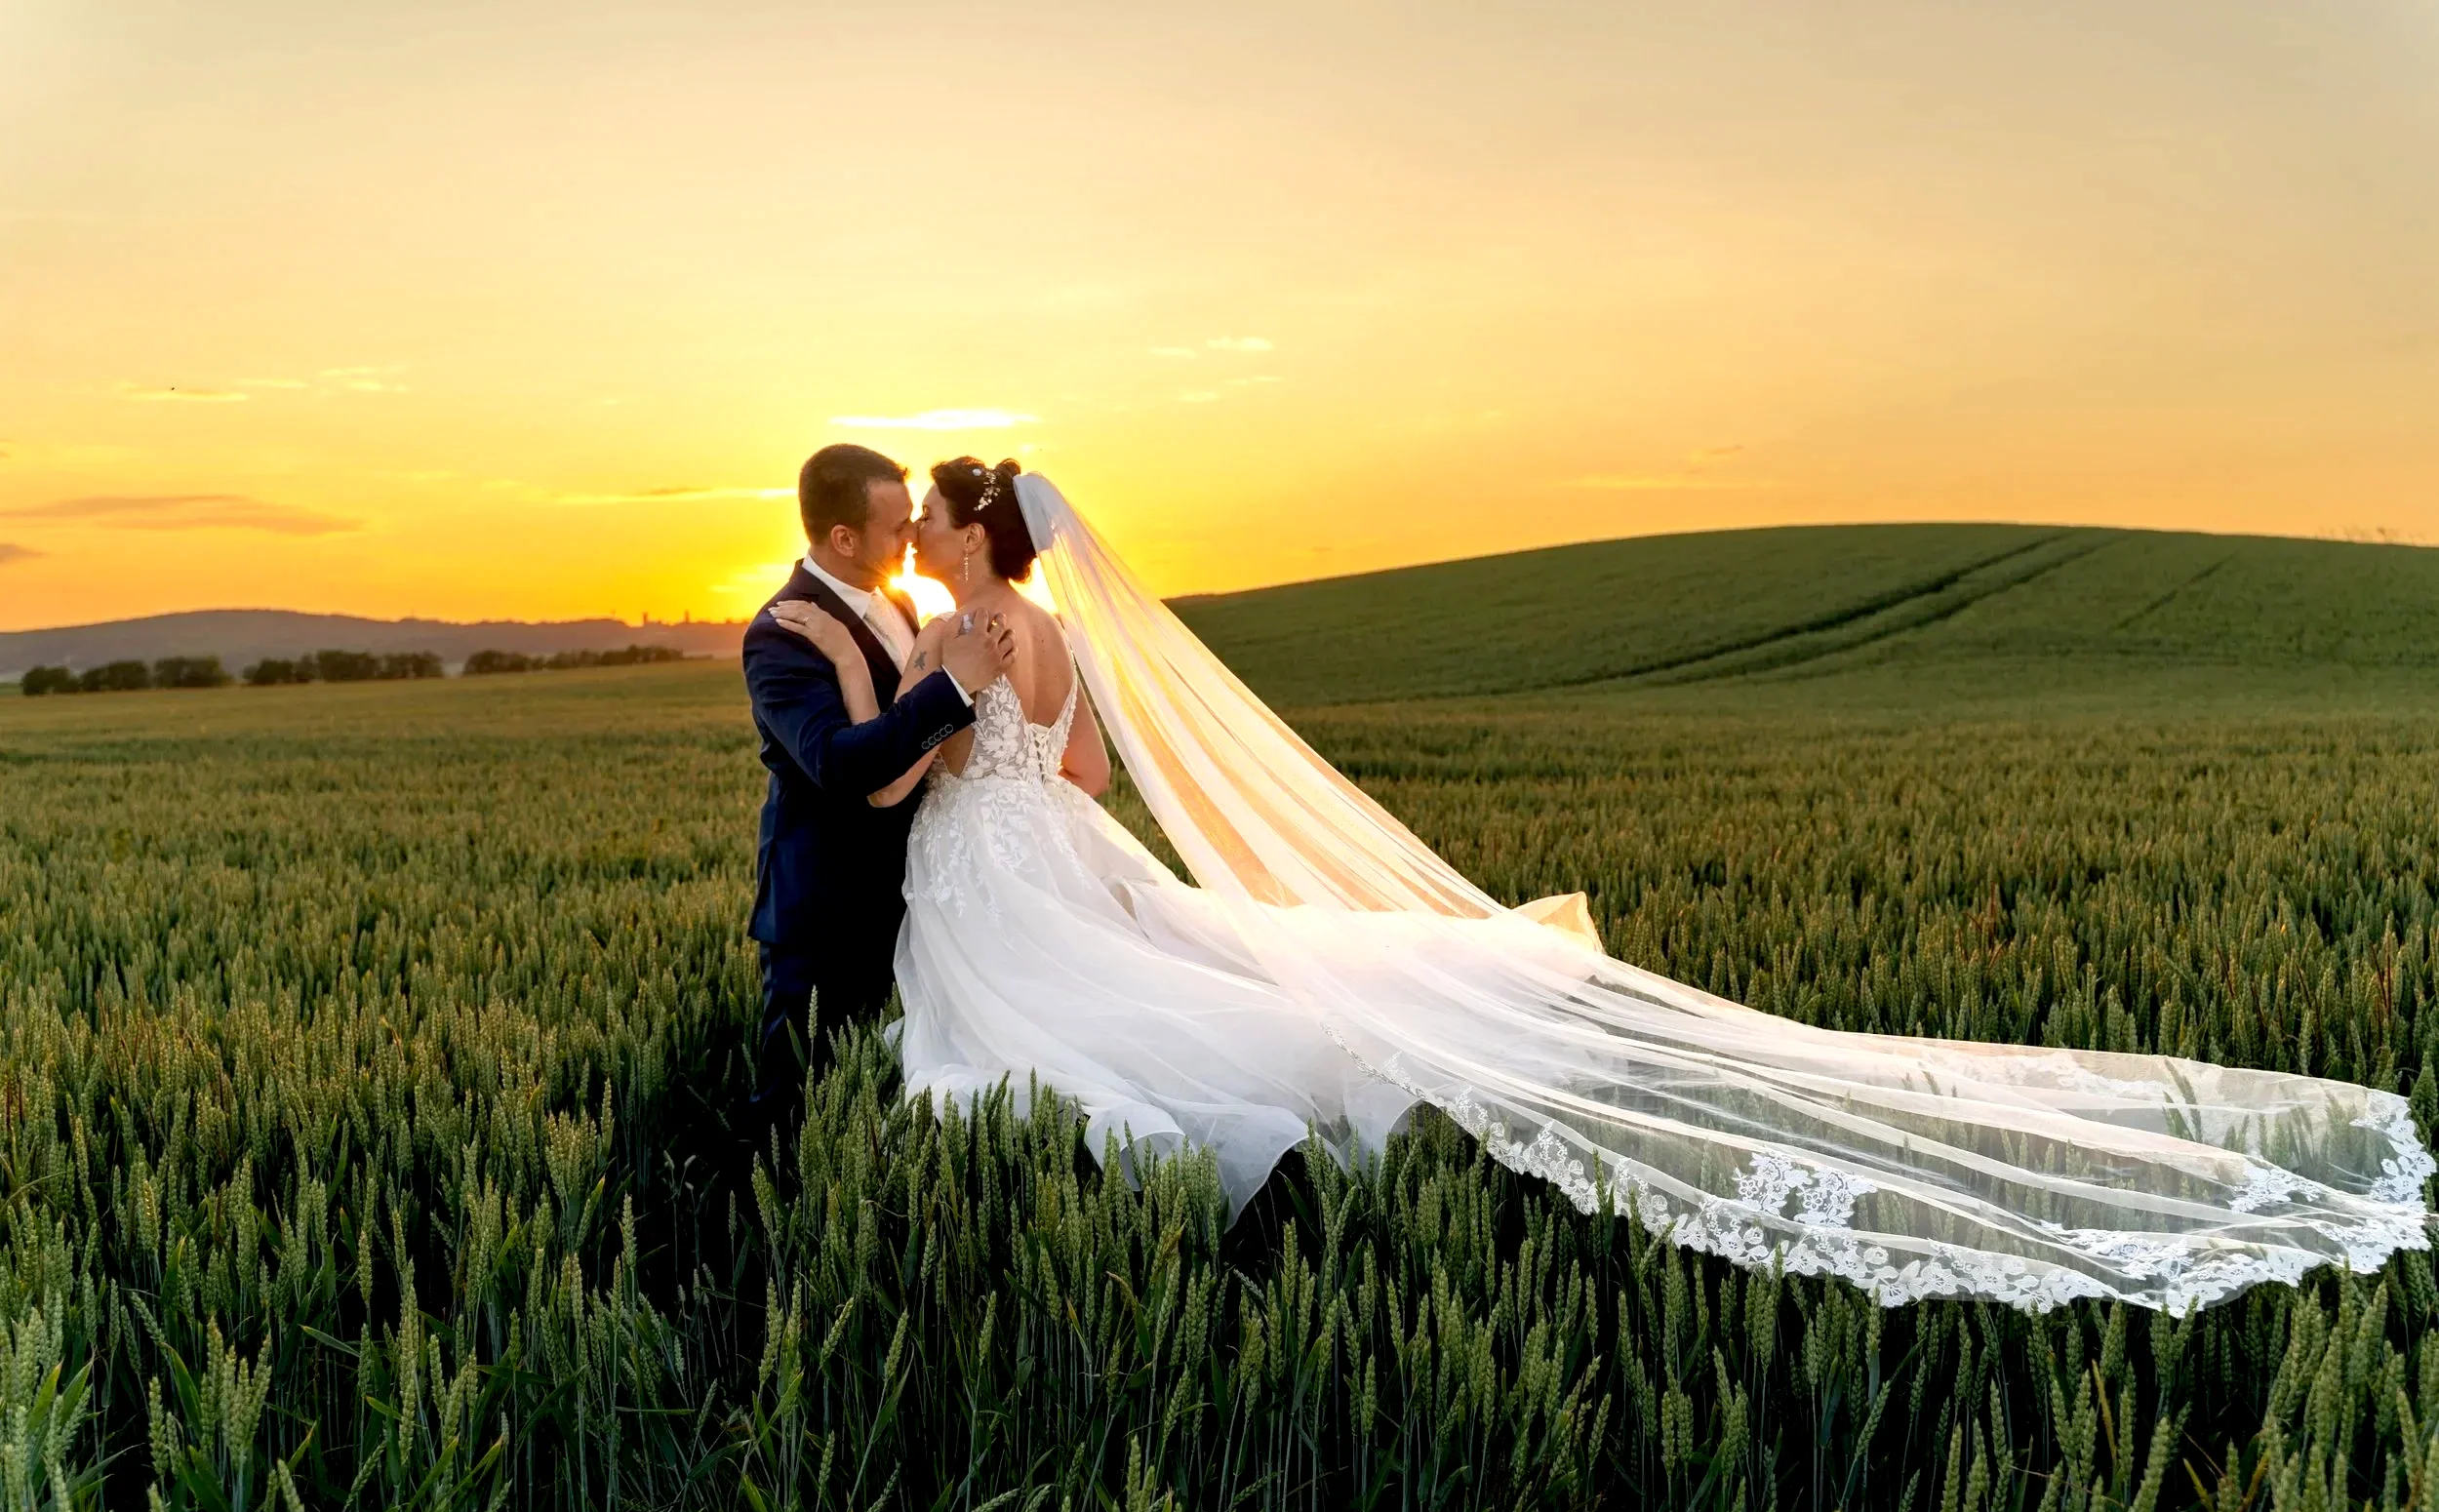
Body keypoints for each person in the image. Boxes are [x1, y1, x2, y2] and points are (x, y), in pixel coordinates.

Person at [770, 459, 2437, 1315]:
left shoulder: (945, 633)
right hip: (1056, 846)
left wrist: (927, 763)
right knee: (1180, 969)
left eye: (931, 518)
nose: (917, 531)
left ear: (968, 542)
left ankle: (1240, 1144)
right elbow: (1081, 778)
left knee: (1013, 1038)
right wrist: (1002, 775)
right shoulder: (1051, 638)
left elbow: (913, 771)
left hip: (982, 871)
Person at [736, 444, 1013, 1178]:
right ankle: (773, 1249)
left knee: (885, 1093)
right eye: (897, 527)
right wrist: (955, 688)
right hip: (825, 909)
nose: (912, 538)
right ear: (843, 539)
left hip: (920, 893)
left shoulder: (896, 600)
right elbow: (839, 762)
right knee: (793, 1104)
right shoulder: (779, 634)